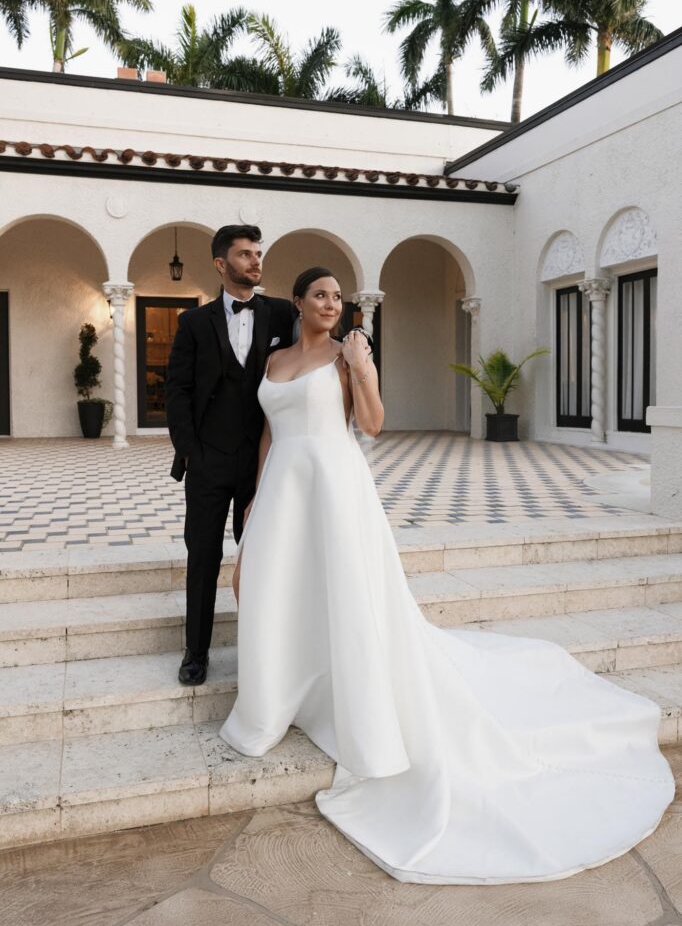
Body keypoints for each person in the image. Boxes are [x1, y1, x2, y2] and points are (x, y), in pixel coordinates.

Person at [218, 266, 675, 886]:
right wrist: (255, 497)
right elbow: (270, 435)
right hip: (281, 489)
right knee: (274, 591)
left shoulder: (347, 354)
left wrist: (361, 366)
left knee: (345, 595)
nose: (331, 303)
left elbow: (371, 425)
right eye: (320, 295)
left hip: (334, 487)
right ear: (297, 302)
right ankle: (283, 693)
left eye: (338, 296)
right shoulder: (274, 361)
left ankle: (345, 695)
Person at [165, 224, 296, 686]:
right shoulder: (193, 323)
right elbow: (177, 390)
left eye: (258, 253)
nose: (255, 260)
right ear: (221, 264)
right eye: (245, 254)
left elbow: (325, 333)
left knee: (260, 555)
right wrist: (190, 452)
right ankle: (196, 652)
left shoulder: (282, 314)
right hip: (207, 461)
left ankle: (263, 652)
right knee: (202, 556)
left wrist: (360, 338)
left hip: (263, 461)